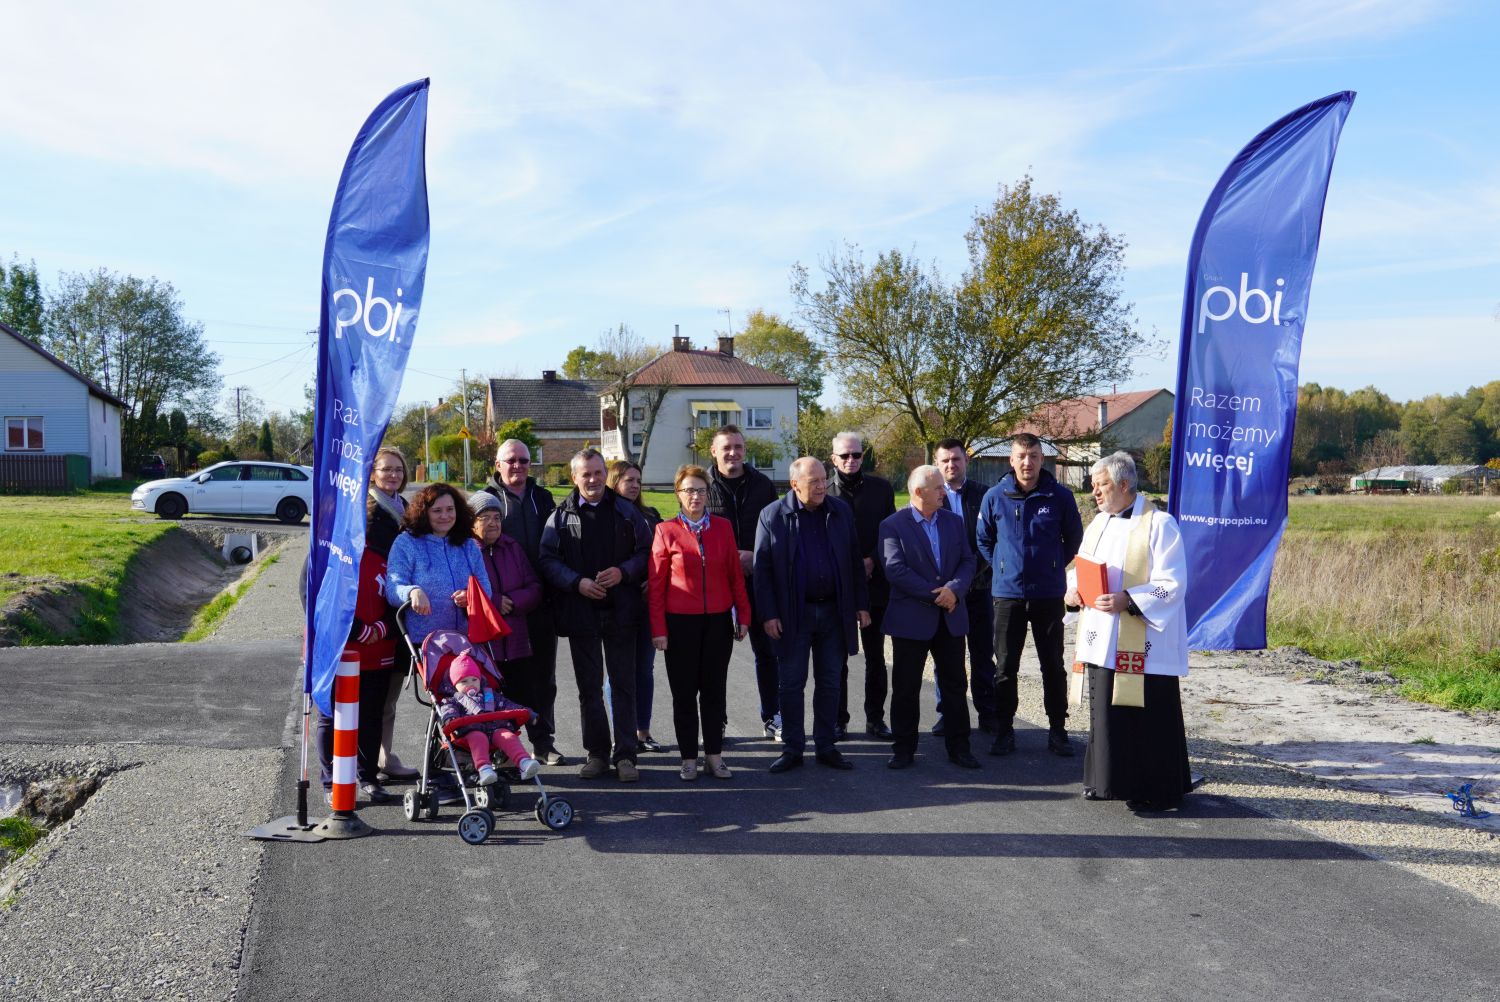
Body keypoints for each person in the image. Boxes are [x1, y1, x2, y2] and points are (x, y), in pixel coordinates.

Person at [1068, 451, 1192, 811]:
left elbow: (1172, 583)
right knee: (1106, 711)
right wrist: (1073, 589)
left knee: (1146, 715)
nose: (1095, 493)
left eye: (1101, 485)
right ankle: (1107, 781)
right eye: (1093, 486)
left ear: (1124, 484)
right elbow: (1082, 565)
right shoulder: (1099, 523)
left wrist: (1128, 599)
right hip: (1103, 637)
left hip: (1145, 640)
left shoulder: (1160, 524)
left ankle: (1155, 789)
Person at [538, 449, 653, 782]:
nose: (592, 479)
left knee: (623, 686)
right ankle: (598, 754)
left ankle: (627, 755)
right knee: (589, 688)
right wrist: (576, 583)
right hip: (581, 613)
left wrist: (624, 572)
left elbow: (647, 552)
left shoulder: (628, 512)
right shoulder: (559, 516)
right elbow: (547, 560)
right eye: (585, 474)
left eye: (598, 473)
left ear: (606, 474)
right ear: (574, 477)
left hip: (622, 613)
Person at [753, 456, 870, 773]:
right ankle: (792, 748)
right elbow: (761, 571)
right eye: (814, 482)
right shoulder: (773, 516)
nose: (822, 487)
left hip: (834, 612)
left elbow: (854, 561)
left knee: (831, 682)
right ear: (794, 484)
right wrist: (768, 614)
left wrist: (861, 604)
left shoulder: (840, 511)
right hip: (793, 614)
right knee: (791, 684)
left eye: (823, 480)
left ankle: (825, 746)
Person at [975, 432, 1085, 757]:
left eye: (1034, 456)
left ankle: (1058, 731)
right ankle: (1005, 731)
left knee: (1053, 665)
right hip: (1007, 595)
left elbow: (1074, 540)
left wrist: (1052, 567)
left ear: (1042, 459)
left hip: (1048, 595)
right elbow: (984, 541)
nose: (1027, 462)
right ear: (1011, 460)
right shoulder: (995, 497)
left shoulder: (1060, 497)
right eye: (1021, 456)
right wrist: (1005, 567)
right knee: (1006, 666)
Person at [648, 465, 751, 781]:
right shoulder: (666, 531)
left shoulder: (722, 527)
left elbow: (735, 576)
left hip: (718, 623)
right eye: (689, 490)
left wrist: (743, 616)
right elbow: (656, 585)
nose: (695, 496)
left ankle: (715, 757)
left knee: (714, 692)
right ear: (678, 494)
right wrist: (658, 629)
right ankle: (688, 757)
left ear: (708, 494)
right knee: (683, 694)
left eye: (701, 490)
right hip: (679, 625)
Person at [878, 466, 979, 770]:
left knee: (955, 684)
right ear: (919, 493)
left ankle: (959, 746)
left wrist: (954, 590)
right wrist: (936, 594)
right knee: (906, 687)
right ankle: (904, 748)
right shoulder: (892, 525)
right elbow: (894, 569)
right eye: (938, 488)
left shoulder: (954, 522)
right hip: (911, 619)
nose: (944, 492)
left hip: (949, 616)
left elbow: (967, 560)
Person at [480, 439, 566, 766]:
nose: (517, 466)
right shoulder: (487, 500)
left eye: (524, 461)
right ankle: (505, 746)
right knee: (503, 678)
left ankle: (543, 743)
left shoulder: (542, 498)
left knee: (544, 678)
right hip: (501, 610)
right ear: (498, 464)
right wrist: (493, 599)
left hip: (539, 602)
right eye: (511, 460)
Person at [313, 506, 400, 806]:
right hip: (338, 651)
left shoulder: (384, 560)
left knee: (371, 715)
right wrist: (356, 630)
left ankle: (367, 777)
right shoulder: (329, 557)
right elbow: (318, 602)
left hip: (379, 650)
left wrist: (382, 627)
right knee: (330, 714)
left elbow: (396, 600)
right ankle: (331, 781)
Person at [704, 425, 782, 740]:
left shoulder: (762, 485)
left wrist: (755, 555)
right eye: (726, 448)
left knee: (767, 653)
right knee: (716, 657)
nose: (733, 453)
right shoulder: (702, 485)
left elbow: (778, 531)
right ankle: (716, 720)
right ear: (713, 451)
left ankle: (773, 717)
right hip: (717, 584)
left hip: (758, 580)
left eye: (738, 446)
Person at [825, 431, 897, 742]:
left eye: (856, 455)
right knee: (837, 658)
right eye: (845, 456)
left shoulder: (881, 489)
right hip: (837, 586)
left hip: (875, 582)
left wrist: (872, 561)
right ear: (833, 459)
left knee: (876, 658)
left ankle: (875, 719)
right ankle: (838, 720)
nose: (851, 461)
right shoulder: (823, 490)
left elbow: (890, 531)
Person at [467, 490, 547, 752]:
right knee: (490, 701)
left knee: (526, 695)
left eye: (497, 517)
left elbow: (534, 587)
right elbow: (464, 590)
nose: (493, 523)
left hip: (515, 639)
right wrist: (494, 600)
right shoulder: (465, 551)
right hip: (484, 645)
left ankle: (542, 745)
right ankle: (499, 754)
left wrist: (512, 601)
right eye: (485, 517)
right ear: (472, 522)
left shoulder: (512, 547)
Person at [931, 439, 1000, 734]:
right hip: (946, 594)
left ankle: (987, 713)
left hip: (980, 588)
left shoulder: (984, 495)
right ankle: (948, 714)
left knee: (983, 654)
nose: (951, 465)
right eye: (945, 460)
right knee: (947, 658)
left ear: (966, 461)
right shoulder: (931, 497)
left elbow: (991, 542)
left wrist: (971, 578)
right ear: (937, 464)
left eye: (956, 459)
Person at [366, 446, 420, 783]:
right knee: (372, 695)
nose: (394, 475)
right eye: (387, 469)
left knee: (391, 693)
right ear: (373, 473)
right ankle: (367, 761)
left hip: (401, 610)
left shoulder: (405, 507)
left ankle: (385, 755)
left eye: (399, 469)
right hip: (376, 610)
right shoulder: (367, 511)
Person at [606, 459, 666, 753]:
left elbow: (662, 556)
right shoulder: (606, 514)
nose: (634, 485)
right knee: (619, 672)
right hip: (618, 602)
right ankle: (622, 733)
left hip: (647, 602)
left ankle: (642, 732)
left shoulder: (651, 515)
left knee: (644, 669)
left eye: (638, 481)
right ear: (614, 481)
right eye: (628, 479)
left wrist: (655, 583)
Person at [387, 483, 492, 640]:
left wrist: (470, 596)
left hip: (467, 641)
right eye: (437, 511)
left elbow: (486, 589)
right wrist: (412, 592)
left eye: (450, 509)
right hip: (423, 643)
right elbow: (393, 588)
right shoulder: (406, 543)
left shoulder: (469, 545)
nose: (445, 516)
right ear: (424, 513)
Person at [438, 652, 541, 784]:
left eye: (474, 680)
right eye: (464, 681)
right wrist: (450, 719)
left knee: (508, 736)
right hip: (469, 731)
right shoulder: (453, 700)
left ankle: (524, 762)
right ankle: (484, 769)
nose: (470, 684)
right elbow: (448, 711)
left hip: (495, 729)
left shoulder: (488, 695)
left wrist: (527, 712)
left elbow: (507, 705)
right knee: (478, 738)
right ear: (454, 684)